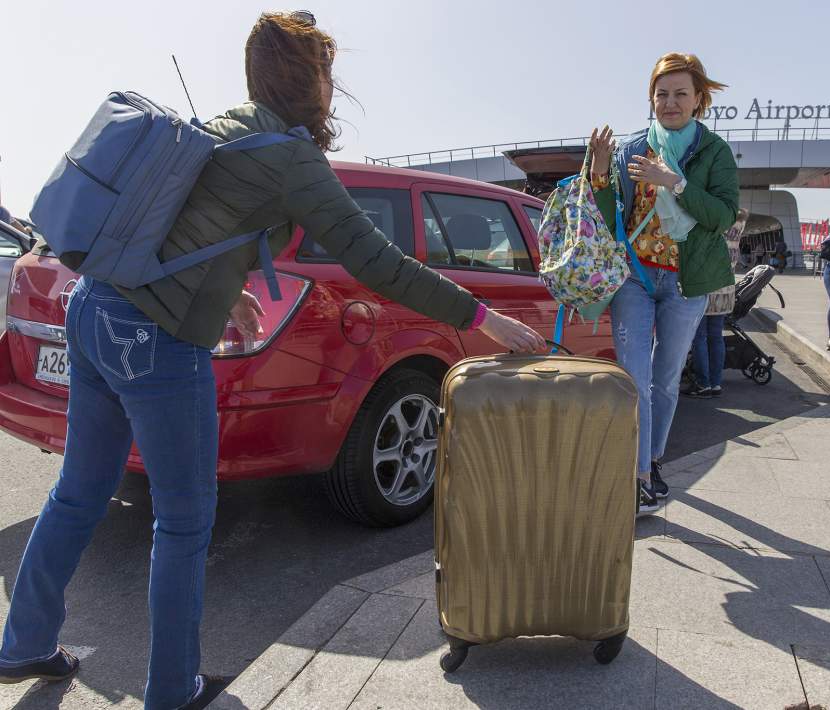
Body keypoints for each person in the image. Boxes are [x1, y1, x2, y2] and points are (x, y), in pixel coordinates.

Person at [0, 12, 544, 710]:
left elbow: (181, 226)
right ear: (314, 82)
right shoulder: (291, 159)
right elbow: (374, 259)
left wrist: (226, 298)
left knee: (78, 492)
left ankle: (22, 644)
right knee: (184, 520)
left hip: (91, 309)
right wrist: (481, 315)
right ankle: (173, 688)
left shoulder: (226, 124)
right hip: (154, 342)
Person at [587, 52, 739, 517]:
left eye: (680, 94)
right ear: (650, 98)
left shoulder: (714, 152)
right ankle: (637, 476)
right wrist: (599, 170)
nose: (669, 102)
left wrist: (673, 181)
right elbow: (612, 213)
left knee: (665, 380)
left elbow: (721, 216)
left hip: (686, 282)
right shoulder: (634, 148)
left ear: (699, 99)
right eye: (661, 94)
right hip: (634, 275)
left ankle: (652, 462)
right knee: (633, 378)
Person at [683, 209, 748, 398]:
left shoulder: (714, 221)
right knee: (716, 337)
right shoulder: (738, 224)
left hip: (706, 285)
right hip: (726, 289)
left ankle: (703, 384)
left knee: (699, 337)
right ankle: (716, 382)